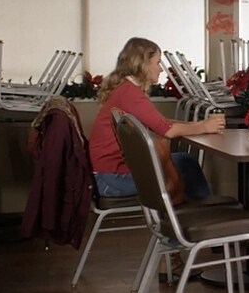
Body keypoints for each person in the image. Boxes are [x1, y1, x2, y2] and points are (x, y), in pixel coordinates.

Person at [88, 37, 224, 199]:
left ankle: (192, 216)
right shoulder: (130, 93)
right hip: (111, 179)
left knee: (185, 161)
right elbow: (168, 130)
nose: (161, 69)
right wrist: (204, 127)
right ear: (143, 64)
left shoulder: (125, 89)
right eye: (158, 62)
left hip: (106, 176)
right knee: (186, 164)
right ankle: (203, 216)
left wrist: (197, 124)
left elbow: (159, 123)